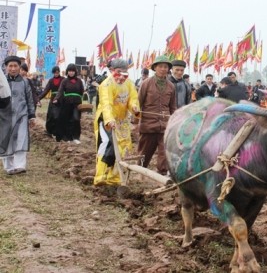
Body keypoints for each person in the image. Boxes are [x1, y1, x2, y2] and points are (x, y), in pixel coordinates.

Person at [93, 58, 140, 186]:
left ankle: (114, 177)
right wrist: (109, 120)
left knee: (124, 147)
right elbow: (106, 104)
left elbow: (132, 99)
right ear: (112, 71)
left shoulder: (129, 84)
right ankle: (100, 176)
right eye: (119, 71)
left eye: (125, 71)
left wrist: (134, 108)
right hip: (106, 120)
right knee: (107, 144)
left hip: (122, 121)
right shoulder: (106, 84)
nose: (122, 75)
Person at [138, 55, 176, 174]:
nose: (163, 69)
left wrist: (174, 122)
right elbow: (138, 102)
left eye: (166, 67)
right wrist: (135, 122)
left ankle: (162, 173)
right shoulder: (146, 83)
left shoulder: (171, 86)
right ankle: (141, 171)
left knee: (164, 152)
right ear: (155, 68)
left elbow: (172, 107)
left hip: (164, 125)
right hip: (148, 125)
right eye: (160, 66)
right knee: (145, 152)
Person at [0, 56, 36, 175]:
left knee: (21, 138)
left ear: (20, 67)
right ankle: (9, 167)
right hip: (5, 116)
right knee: (6, 140)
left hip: (22, 115)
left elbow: (29, 99)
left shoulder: (25, 82)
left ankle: (20, 165)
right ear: (6, 67)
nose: (13, 68)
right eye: (10, 66)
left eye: (15, 66)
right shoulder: (2, 81)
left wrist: (31, 115)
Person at [53, 63, 84, 143]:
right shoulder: (64, 81)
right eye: (70, 71)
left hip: (77, 103)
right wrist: (56, 98)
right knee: (67, 120)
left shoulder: (79, 81)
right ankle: (68, 137)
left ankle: (76, 137)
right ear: (67, 72)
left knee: (76, 119)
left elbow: (81, 92)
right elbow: (60, 91)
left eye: (73, 71)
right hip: (66, 103)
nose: (71, 72)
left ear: (75, 72)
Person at [38, 66, 63, 137]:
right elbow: (46, 91)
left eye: (57, 72)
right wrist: (38, 98)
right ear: (53, 73)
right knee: (50, 116)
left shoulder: (63, 80)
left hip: (61, 100)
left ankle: (58, 131)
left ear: (59, 72)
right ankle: (49, 131)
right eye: (55, 72)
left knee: (58, 116)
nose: (56, 73)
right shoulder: (51, 81)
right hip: (52, 100)